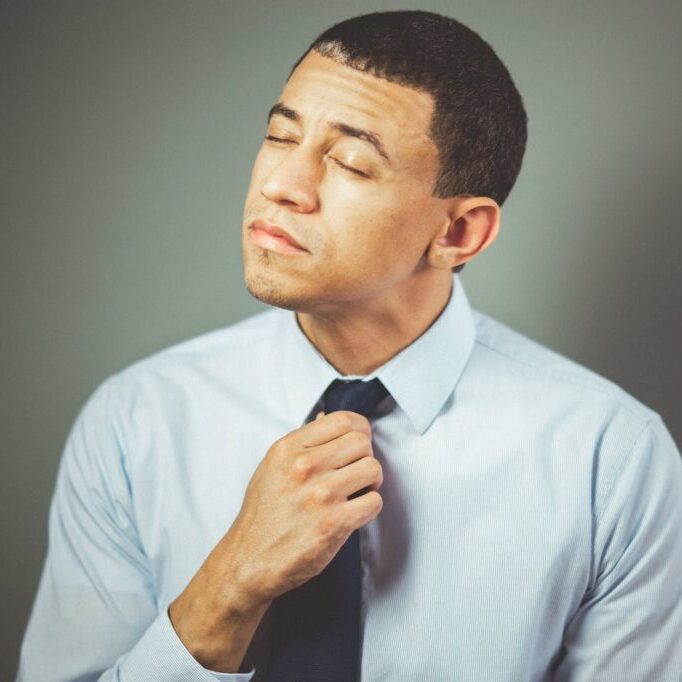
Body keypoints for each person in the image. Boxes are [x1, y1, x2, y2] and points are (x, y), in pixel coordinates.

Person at [16, 9, 682, 682]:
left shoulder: (612, 461)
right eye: (280, 137)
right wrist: (227, 590)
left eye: (352, 163)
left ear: (459, 233)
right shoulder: (135, 424)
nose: (282, 185)